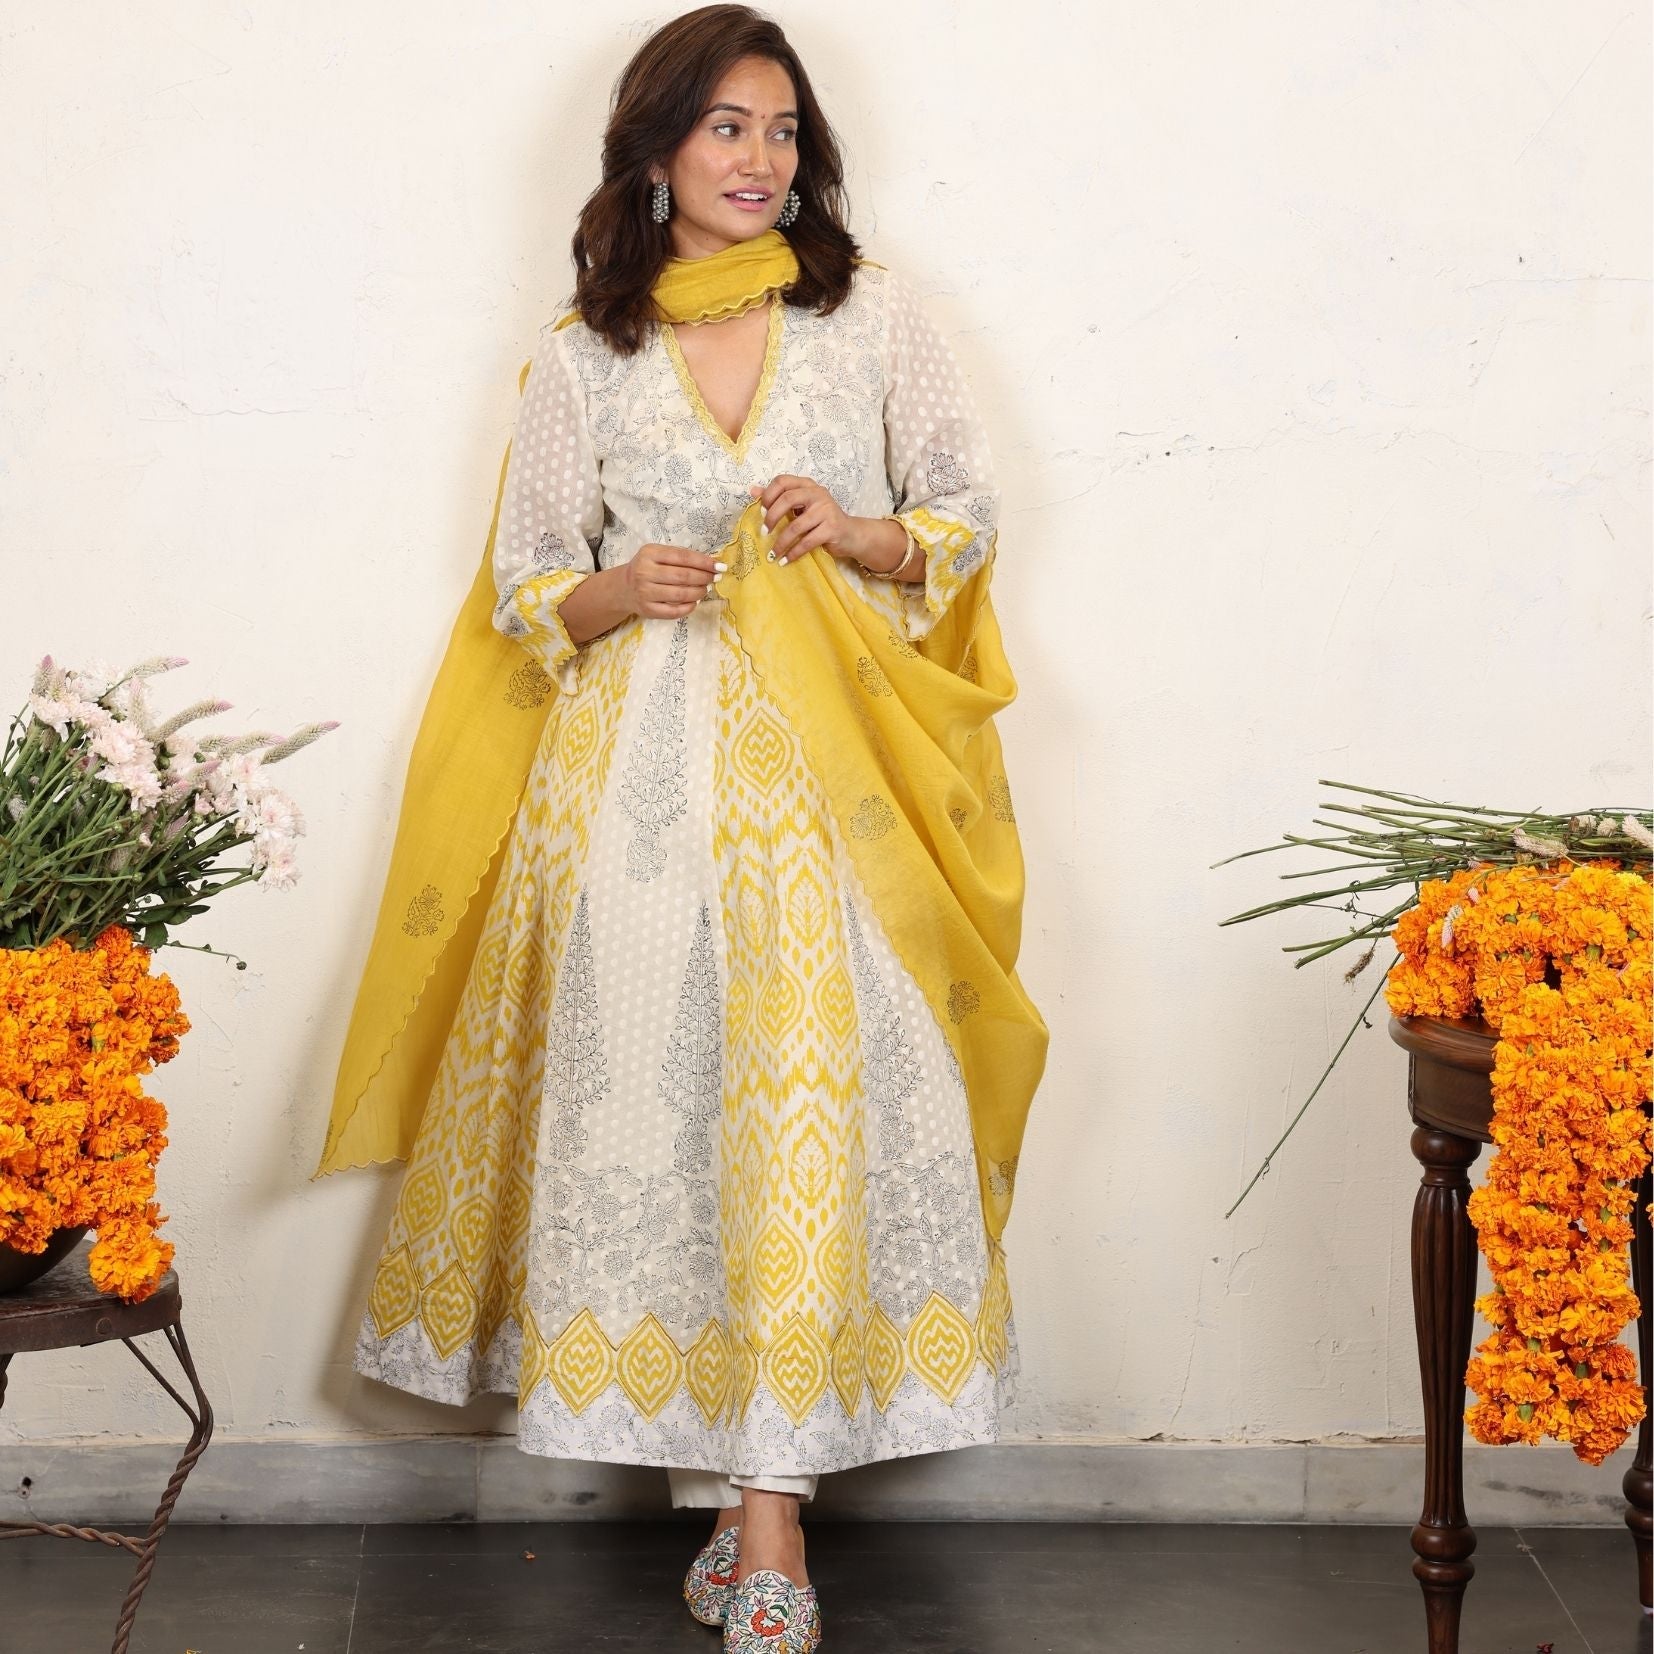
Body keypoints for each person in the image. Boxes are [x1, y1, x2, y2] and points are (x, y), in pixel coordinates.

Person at [312, 6, 1047, 1648]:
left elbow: (961, 515)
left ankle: (771, 1509)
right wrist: (612, 589)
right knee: (657, 1107)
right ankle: (724, 1494)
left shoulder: (871, 322)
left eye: (783, 132)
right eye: (726, 128)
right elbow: (522, 583)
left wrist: (853, 531)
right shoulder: (587, 351)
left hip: (825, 782)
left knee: (811, 1112)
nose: (759, 160)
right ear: (653, 152)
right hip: (632, 783)